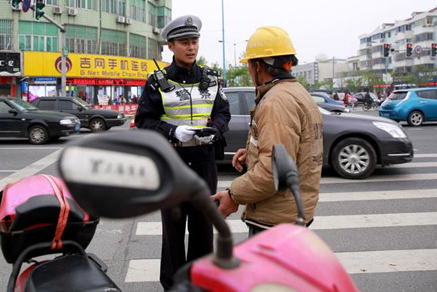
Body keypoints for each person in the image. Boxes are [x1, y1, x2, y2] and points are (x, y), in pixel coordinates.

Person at [135, 15, 231, 290]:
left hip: (204, 164)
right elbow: (144, 120)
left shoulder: (211, 80)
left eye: (195, 41)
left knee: (202, 230)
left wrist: (217, 130)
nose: (191, 48)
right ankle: (174, 285)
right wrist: (172, 132)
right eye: (185, 43)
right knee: (174, 231)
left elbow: (222, 112)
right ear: (171, 46)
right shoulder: (156, 81)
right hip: (172, 164)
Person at [211, 26, 323, 237]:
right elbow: (293, 150)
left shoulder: (275, 102)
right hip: (293, 212)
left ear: (257, 65)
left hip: (276, 220)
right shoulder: (297, 92)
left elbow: (273, 171)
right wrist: (252, 152)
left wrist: (233, 195)